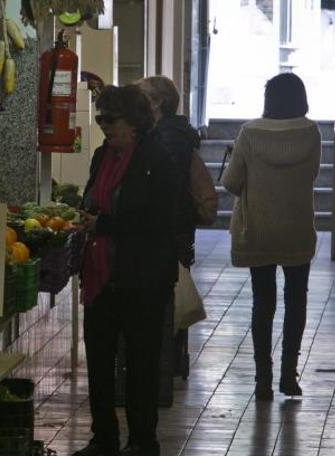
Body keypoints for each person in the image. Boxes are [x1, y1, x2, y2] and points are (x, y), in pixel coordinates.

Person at [73, 84, 178, 456]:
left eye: (110, 119)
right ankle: (103, 436)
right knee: (99, 360)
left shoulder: (156, 158)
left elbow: (158, 219)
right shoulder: (102, 155)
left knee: (140, 361)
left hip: (143, 277)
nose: (104, 126)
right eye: (99, 118)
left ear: (133, 120)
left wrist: (104, 224)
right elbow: (92, 197)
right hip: (102, 274)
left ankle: (142, 439)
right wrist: (85, 215)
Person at [221, 72, 321, 401]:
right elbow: (312, 175)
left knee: (263, 303)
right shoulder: (311, 132)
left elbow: (232, 183)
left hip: (257, 229)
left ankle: (262, 378)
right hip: (296, 229)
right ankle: (289, 375)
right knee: (296, 301)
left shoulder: (249, 134)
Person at [137, 76, 201, 377]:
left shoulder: (167, 137)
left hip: (171, 226)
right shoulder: (175, 132)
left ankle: (167, 361)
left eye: (141, 98)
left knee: (169, 291)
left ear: (157, 103)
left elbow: (166, 185)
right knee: (174, 289)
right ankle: (173, 360)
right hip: (178, 225)